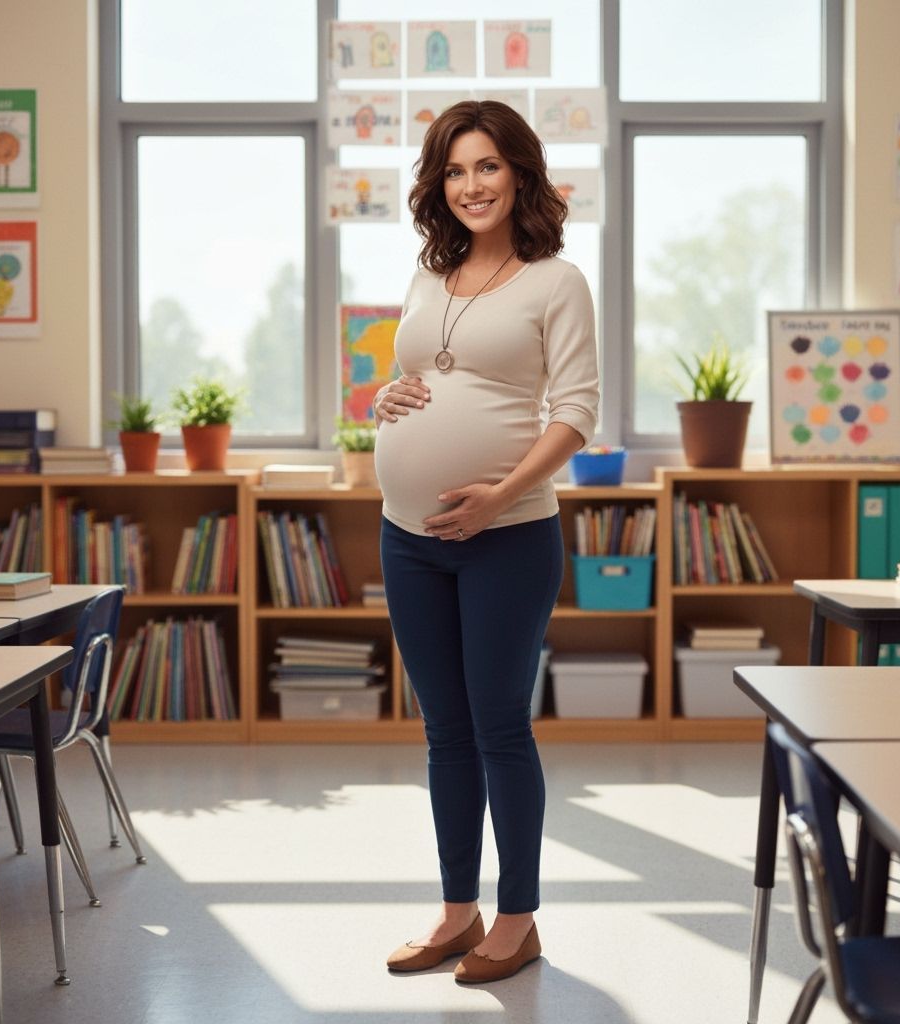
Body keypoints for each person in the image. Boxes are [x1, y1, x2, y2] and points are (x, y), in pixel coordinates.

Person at [374, 100, 599, 984]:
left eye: (489, 167)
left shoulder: (557, 281)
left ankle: (517, 921)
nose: (472, 185)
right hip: (408, 538)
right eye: (456, 169)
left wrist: (498, 492)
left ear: (520, 175)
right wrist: (385, 400)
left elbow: (576, 411)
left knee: (501, 727)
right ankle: (457, 912)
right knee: (444, 732)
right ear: (441, 183)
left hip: (507, 537)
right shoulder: (429, 274)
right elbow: (417, 374)